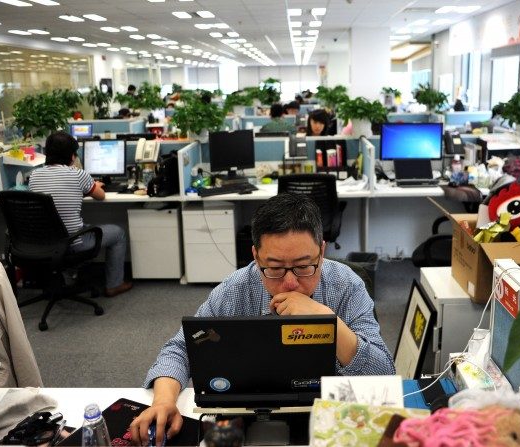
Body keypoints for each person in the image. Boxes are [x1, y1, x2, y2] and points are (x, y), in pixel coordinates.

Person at [130, 193, 394, 445]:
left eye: (304, 266)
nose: (290, 283)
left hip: (330, 413)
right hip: (248, 412)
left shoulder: (346, 285)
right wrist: (164, 401)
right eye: (275, 268)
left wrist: (329, 322)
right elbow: (181, 349)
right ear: (256, 257)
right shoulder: (237, 288)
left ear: (322, 252)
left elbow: (384, 374)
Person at [28, 131, 133, 298]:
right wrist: (92, 185)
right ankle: (114, 285)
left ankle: (69, 277)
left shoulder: (34, 176)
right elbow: (101, 196)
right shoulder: (79, 175)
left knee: (73, 228)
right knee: (118, 233)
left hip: (46, 242)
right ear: (72, 156)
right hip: (75, 242)